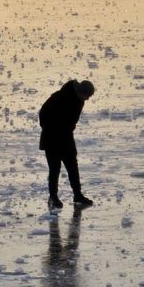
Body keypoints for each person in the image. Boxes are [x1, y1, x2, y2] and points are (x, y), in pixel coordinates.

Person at [39, 79, 96, 209]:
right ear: (80, 92)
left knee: (73, 168)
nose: (87, 99)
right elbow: (43, 114)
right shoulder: (59, 97)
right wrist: (50, 129)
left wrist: (67, 130)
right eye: (87, 96)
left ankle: (77, 195)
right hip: (51, 139)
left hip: (66, 139)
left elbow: (71, 122)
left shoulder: (79, 101)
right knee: (55, 169)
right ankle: (53, 197)